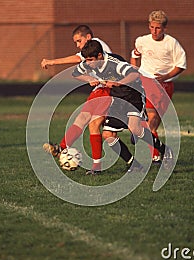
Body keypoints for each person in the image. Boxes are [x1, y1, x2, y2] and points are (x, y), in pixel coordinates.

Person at [72, 40, 174, 172]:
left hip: (133, 95)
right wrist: (89, 79)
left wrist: (118, 83)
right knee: (108, 135)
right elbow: (76, 73)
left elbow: (134, 74)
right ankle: (134, 165)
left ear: (100, 55)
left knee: (135, 129)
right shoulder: (89, 63)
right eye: (86, 60)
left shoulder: (115, 64)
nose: (88, 63)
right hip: (117, 98)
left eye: (91, 60)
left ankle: (165, 150)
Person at [42, 25, 112, 175]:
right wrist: (89, 78)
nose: (78, 45)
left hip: (110, 90)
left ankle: (97, 167)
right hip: (99, 90)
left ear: (88, 38)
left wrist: (51, 62)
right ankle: (61, 147)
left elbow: (75, 59)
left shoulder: (97, 45)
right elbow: (77, 72)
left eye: (78, 41)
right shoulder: (90, 51)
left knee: (94, 126)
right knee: (80, 120)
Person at [130, 10, 186, 164]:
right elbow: (135, 55)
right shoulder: (142, 41)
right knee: (149, 118)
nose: (154, 31)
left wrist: (165, 76)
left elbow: (181, 65)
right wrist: (134, 73)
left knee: (153, 121)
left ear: (164, 28)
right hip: (144, 82)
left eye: (158, 28)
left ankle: (155, 150)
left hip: (163, 85)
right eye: (152, 27)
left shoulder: (172, 43)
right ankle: (154, 154)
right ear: (149, 26)